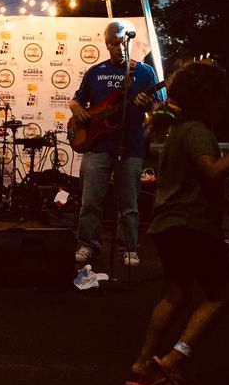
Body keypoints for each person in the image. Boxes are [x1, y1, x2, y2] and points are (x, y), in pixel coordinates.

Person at [126, 62, 229, 385]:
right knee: (219, 297)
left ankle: (143, 362)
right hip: (194, 225)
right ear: (206, 100)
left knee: (175, 295)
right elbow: (213, 172)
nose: (224, 106)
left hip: (168, 225)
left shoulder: (178, 130)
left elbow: (198, 180)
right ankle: (174, 358)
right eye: (221, 99)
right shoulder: (198, 130)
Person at [69, 20, 161, 267]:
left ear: (127, 41)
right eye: (112, 44)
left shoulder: (144, 72)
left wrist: (148, 105)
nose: (117, 48)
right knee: (90, 201)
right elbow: (76, 101)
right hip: (96, 146)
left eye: (121, 43)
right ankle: (88, 245)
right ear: (106, 44)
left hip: (130, 145)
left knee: (129, 203)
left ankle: (128, 247)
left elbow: (159, 108)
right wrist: (77, 111)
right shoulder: (95, 72)